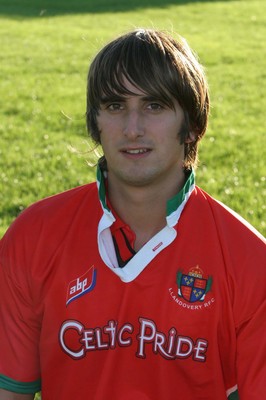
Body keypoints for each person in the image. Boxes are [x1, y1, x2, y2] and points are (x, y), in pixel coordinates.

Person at [0, 28, 265, 400]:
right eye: (115, 106)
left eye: (154, 106)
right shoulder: (33, 236)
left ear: (191, 125)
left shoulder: (250, 261)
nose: (132, 128)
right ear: (96, 122)